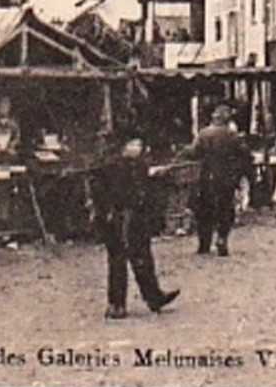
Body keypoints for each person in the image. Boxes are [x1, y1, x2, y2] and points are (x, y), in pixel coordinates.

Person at [93, 129, 180, 319]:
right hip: (121, 217)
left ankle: (147, 298)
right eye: (135, 144)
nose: (139, 148)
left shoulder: (128, 164)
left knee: (136, 258)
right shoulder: (115, 166)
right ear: (124, 146)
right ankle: (120, 303)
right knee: (124, 259)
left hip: (129, 218)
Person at [180, 104, 252, 256]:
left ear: (213, 118)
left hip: (206, 177)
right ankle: (222, 239)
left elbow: (193, 152)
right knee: (225, 210)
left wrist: (182, 152)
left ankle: (204, 243)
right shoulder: (232, 135)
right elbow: (245, 155)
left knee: (204, 210)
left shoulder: (204, 134)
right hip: (226, 179)